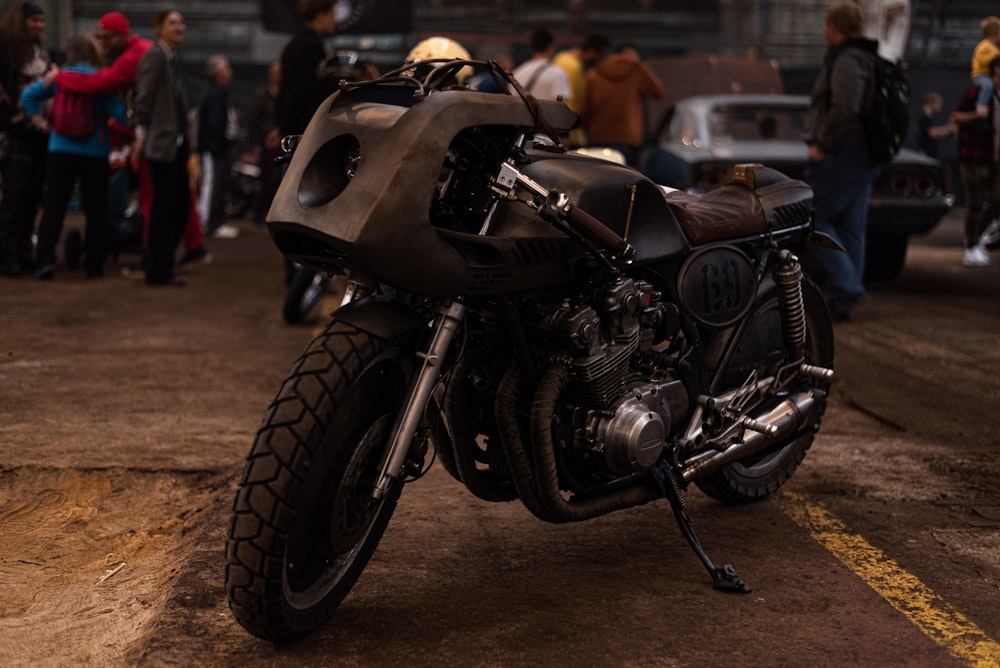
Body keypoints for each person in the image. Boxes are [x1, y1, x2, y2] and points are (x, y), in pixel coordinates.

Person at [49, 10, 209, 270]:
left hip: (157, 139)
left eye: (108, 38)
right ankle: (188, 248)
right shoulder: (155, 53)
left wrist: (60, 78)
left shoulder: (141, 55)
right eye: (101, 38)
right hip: (168, 138)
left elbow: (102, 84)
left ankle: (154, 256)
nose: (104, 44)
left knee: (153, 197)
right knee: (177, 195)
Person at [20, 33, 127, 280]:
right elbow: (120, 115)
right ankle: (94, 265)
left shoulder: (61, 77)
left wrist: (41, 123)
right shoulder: (102, 81)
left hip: (59, 148)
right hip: (94, 151)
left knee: (54, 207)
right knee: (95, 210)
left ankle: (44, 261)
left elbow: (27, 96)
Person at [802, 1, 881, 322]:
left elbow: (845, 109)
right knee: (851, 228)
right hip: (861, 155)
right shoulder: (867, 57)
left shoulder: (848, 59)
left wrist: (823, 145)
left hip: (843, 153)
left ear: (833, 27)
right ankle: (840, 302)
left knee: (811, 218)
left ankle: (846, 287)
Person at [133, 9, 191, 287]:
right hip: (161, 146)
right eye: (173, 22)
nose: (179, 26)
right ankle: (157, 269)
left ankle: (161, 264)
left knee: (178, 207)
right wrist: (141, 135)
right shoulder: (155, 56)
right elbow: (142, 98)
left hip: (175, 145)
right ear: (159, 28)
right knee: (164, 208)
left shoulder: (170, 58)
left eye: (181, 22)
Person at [0, 1, 50, 277]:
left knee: (32, 196)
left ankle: (22, 250)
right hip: (14, 132)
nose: (39, 26)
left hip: (39, 132)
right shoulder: (5, 49)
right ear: (22, 21)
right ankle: (5, 255)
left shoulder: (40, 51)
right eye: (34, 21)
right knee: (15, 196)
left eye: (42, 22)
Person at [949, 55, 1000, 268]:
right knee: (975, 203)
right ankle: (971, 245)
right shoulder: (978, 92)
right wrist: (977, 116)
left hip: (996, 159)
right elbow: (956, 117)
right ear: (997, 69)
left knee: (997, 201)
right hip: (975, 157)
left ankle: (978, 238)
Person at [580, 43, 665, 167]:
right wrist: (639, 65)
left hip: (597, 138)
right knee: (627, 182)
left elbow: (585, 110)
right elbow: (659, 92)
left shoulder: (594, 73)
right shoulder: (636, 71)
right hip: (627, 139)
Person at [275, 0, 337, 138]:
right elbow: (302, 91)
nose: (335, 20)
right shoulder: (312, 47)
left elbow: (285, 90)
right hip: (304, 129)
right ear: (320, 15)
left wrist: (280, 126)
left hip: (292, 127)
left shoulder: (295, 43)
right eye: (332, 14)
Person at [196, 54, 240, 240]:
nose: (229, 72)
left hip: (221, 147)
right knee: (213, 183)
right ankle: (211, 223)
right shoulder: (214, 94)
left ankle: (216, 221)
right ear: (217, 74)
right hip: (215, 149)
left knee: (219, 184)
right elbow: (214, 124)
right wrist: (219, 145)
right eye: (226, 68)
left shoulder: (221, 92)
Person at [552, 33, 610, 147]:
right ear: (593, 51)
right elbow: (566, 102)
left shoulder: (564, 59)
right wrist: (565, 133)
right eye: (601, 55)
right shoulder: (571, 66)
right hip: (567, 134)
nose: (601, 60)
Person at [246, 61, 281, 230]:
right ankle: (258, 215)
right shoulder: (261, 96)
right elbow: (254, 122)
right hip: (266, 146)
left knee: (279, 182)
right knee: (265, 181)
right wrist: (256, 146)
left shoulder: (286, 95)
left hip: (282, 144)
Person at [511, 27, 571, 102]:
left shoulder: (516, 73)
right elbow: (561, 105)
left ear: (531, 48)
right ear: (551, 47)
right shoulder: (558, 74)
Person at [969, 16, 1000, 119]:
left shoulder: (992, 47)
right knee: (987, 86)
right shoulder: (984, 46)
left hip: (987, 75)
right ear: (996, 32)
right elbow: (983, 60)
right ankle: (981, 106)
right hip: (981, 75)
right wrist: (994, 57)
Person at [916, 92, 953, 160]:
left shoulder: (928, 119)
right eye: (938, 103)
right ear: (930, 102)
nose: (940, 106)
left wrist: (949, 129)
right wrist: (951, 129)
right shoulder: (924, 119)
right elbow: (933, 133)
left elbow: (935, 130)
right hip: (926, 157)